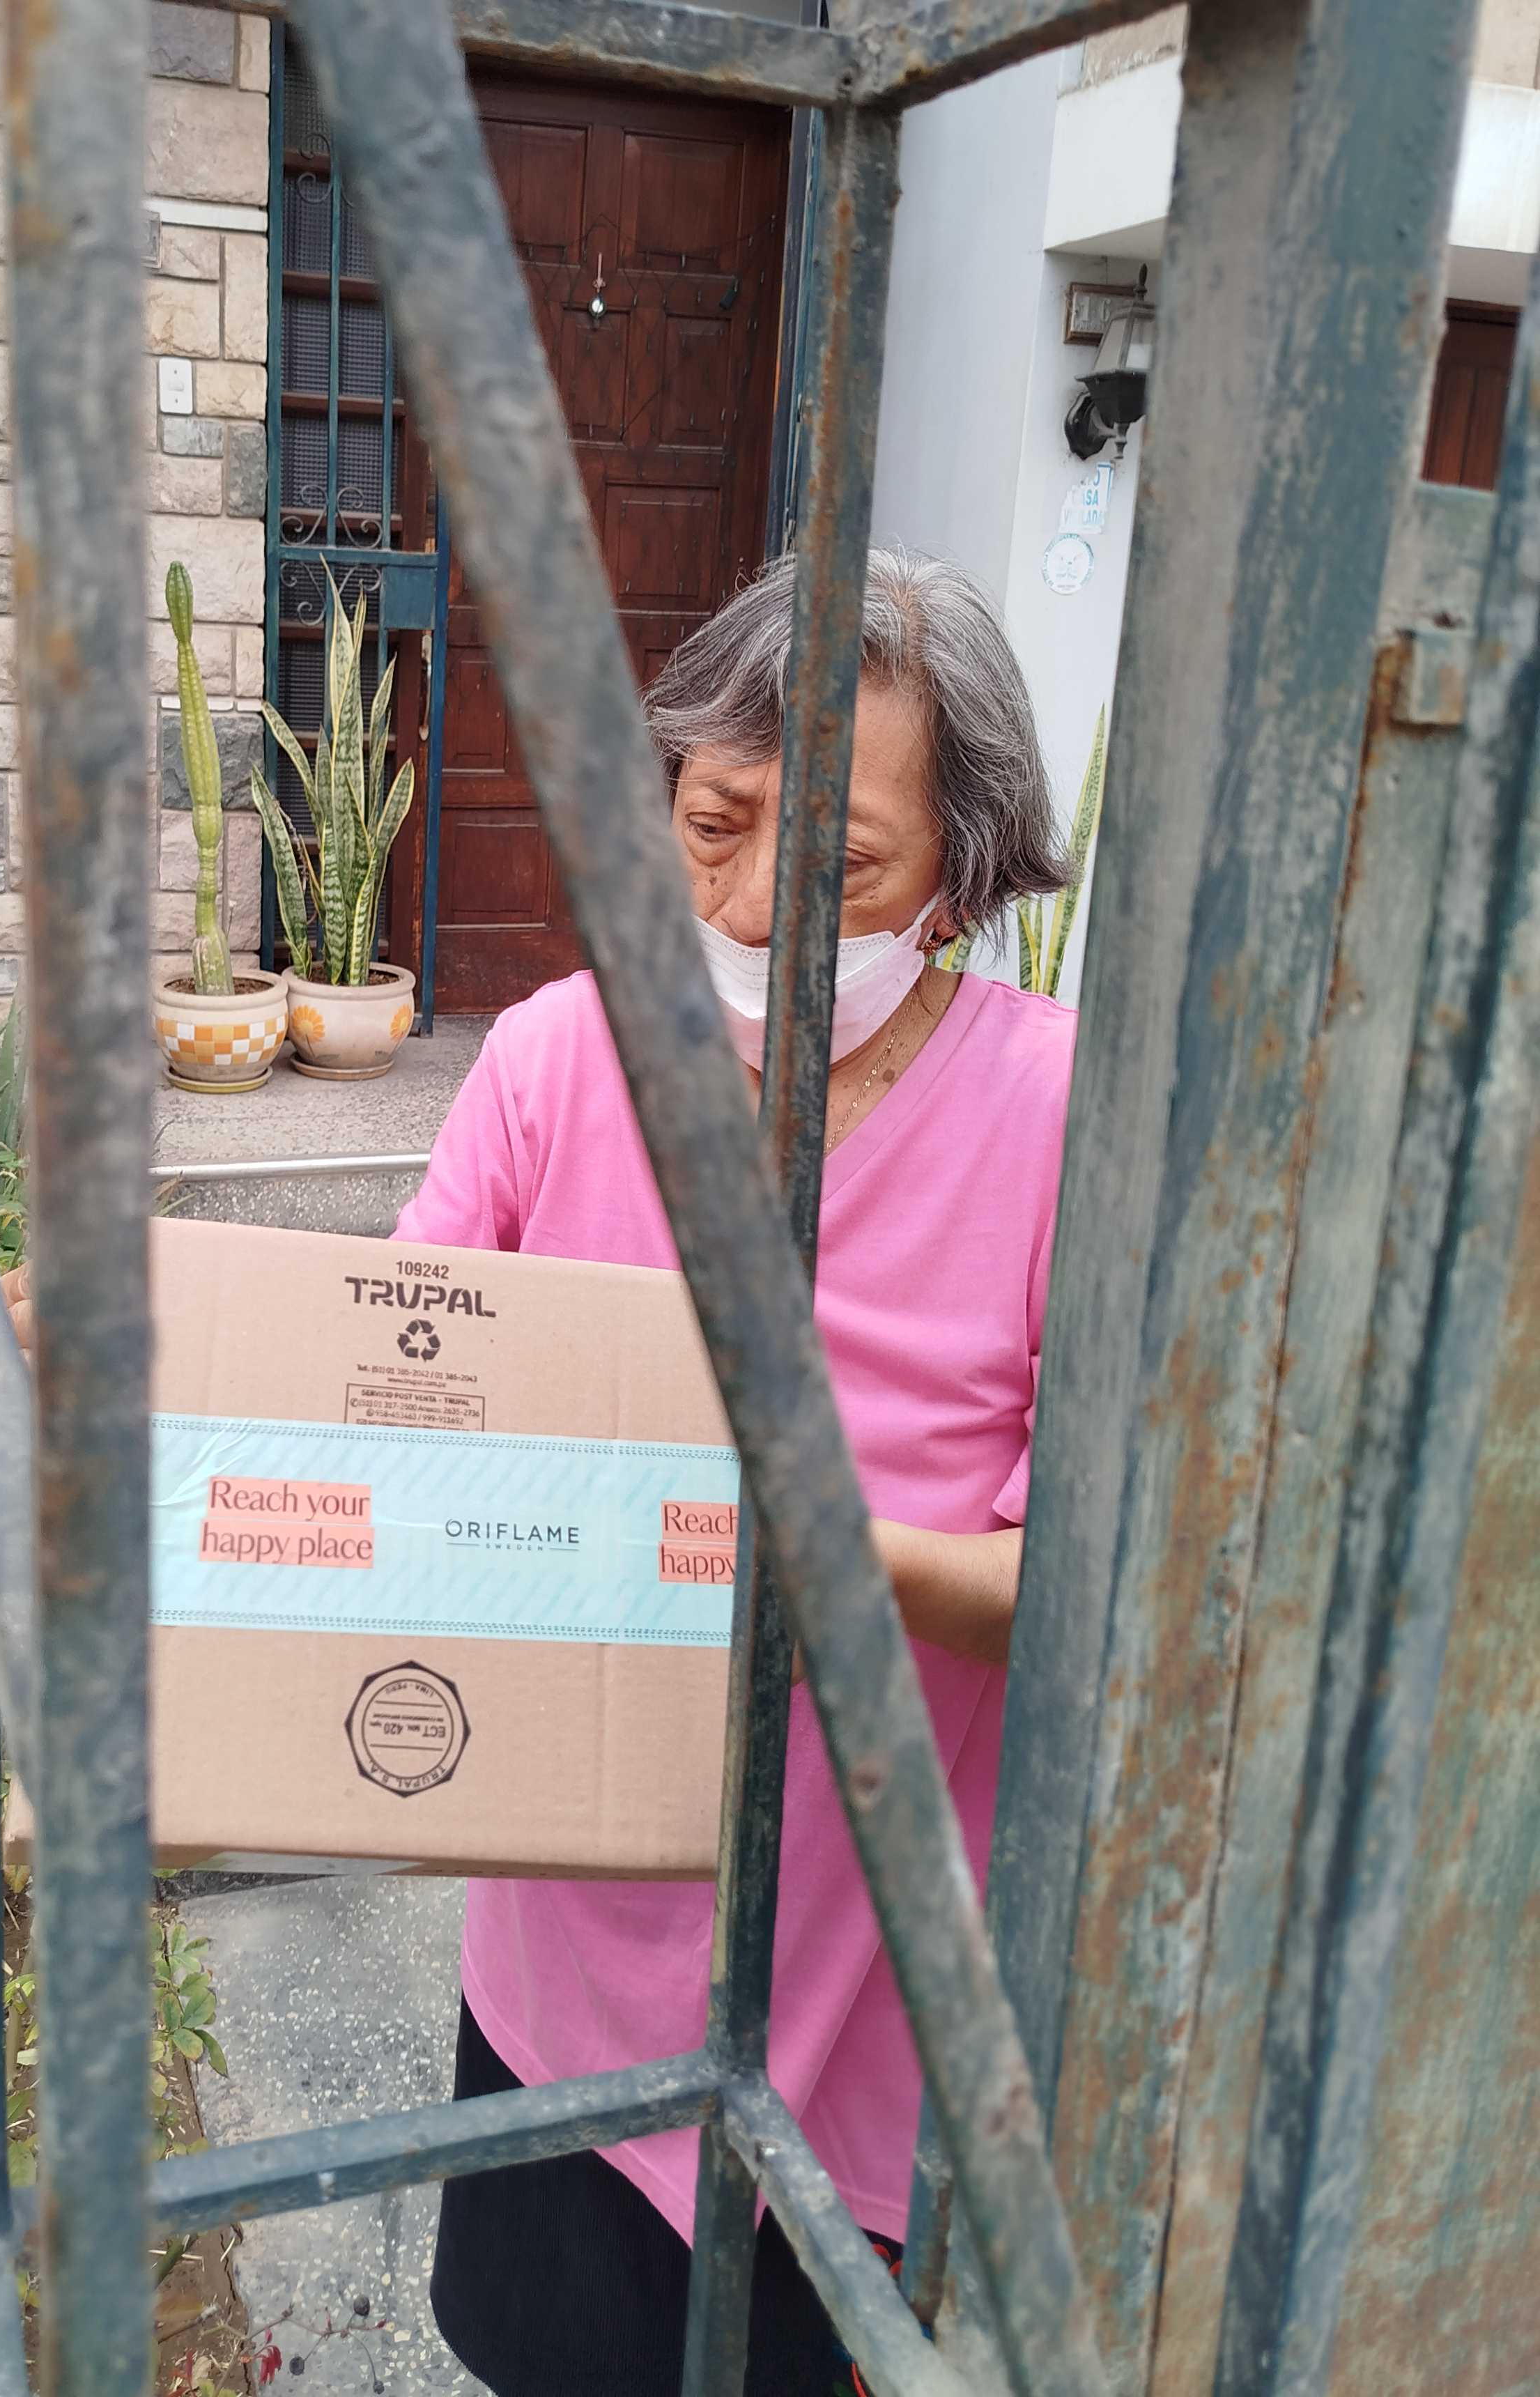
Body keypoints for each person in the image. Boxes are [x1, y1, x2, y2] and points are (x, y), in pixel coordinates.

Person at [395, 547, 1075, 2397]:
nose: (760, 905)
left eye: (844, 864)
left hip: (866, 1993)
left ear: (965, 878)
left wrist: (823, 1548)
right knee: (546, 2351)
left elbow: (1088, 1591)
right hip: (565, 1943)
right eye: (715, 826)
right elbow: (384, 1386)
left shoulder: (1057, 1121)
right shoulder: (554, 1062)